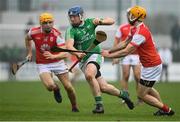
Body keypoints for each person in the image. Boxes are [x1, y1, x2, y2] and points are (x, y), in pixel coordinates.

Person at [102, 6, 175, 116]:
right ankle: (163, 109)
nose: (129, 17)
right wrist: (109, 51)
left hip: (151, 66)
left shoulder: (141, 32)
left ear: (137, 17)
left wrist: (109, 56)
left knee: (142, 95)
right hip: (149, 65)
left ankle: (167, 110)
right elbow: (124, 43)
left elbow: (126, 51)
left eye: (131, 15)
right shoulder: (134, 29)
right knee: (148, 89)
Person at [65, 5, 134, 114]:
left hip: (95, 54)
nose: (72, 19)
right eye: (70, 17)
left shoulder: (90, 22)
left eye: (74, 16)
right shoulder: (71, 30)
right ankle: (124, 95)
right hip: (83, 60)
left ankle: (99, 106)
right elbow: (69, 46)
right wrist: (77, 53)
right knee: (104, 87)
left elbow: (111, 21)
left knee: (89, 75)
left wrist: (101, 22)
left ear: (80, 16)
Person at [25, 12, 79, 112]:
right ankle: (56, 89)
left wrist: (53, 56)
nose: (48, 24)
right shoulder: (33, 32)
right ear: (41, 23)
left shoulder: (57, 35)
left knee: (69, 87)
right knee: (50, 86)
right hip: (42, 64)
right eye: (45, 22)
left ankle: (74, 106)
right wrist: (29, 53)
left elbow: (66, 53)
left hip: (58, 63)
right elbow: (27, 39)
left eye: (50, 22)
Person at [112, 8, 141, 104]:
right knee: (125, 75)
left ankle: (140, 97)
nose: (130, 16)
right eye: (128, 14)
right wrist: (114, 56)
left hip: (137, 55)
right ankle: (125, 97)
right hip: (125, 55)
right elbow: (116, 41)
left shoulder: (140, 27)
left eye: (131, 14)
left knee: (137, 76)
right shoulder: (122, 27)